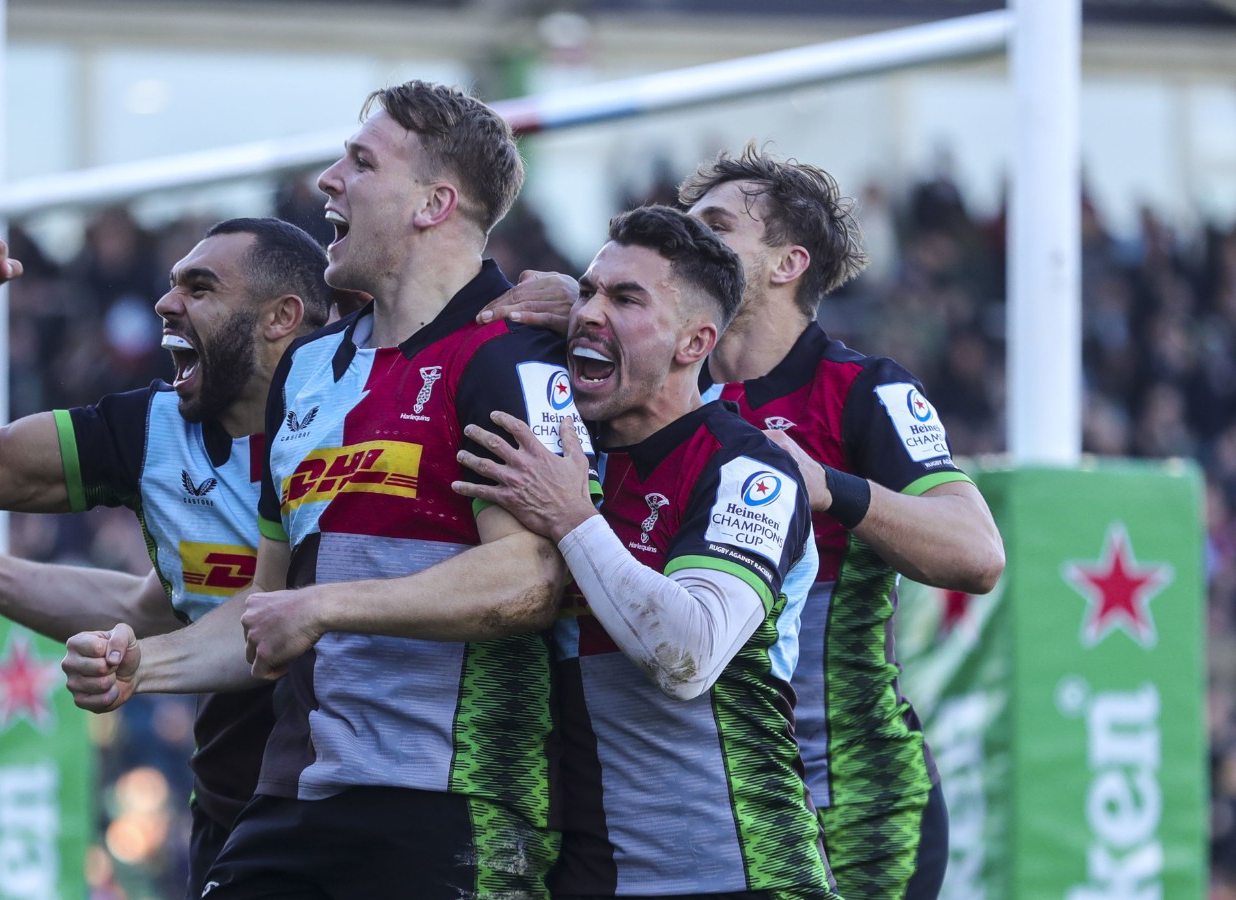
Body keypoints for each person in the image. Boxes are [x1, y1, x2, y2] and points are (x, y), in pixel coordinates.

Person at [63, 80, 584, 899]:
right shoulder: (307, 369)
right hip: (297, 794)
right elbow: (269, 607)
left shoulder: (507, 356)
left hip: (451, 805)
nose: (328, 180)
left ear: (434, 204)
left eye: (362, 163)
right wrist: (144, 665)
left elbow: (529, 579)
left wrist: (326, 607)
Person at [0, 216, 335, 894]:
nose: (166, 302)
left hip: (366, 815)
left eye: (200, 288)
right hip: (234, 825)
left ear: (282, 317)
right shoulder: (149, 431)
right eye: (173, 283)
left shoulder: (364, 417)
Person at [454, 205, 833, 899]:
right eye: (588, 292)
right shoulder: (566, 454)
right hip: (590, 875)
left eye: (626, 299)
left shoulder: (746, 469)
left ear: (695, 343)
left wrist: (572, 519)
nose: (589, 314)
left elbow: (688, 655)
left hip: (740, 875)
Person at [681, 145, 1004, 900]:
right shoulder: (658, 391)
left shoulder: (863, 390)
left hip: (856, 814)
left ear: (788, 263)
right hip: (704, 812)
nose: (687, 241)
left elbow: (977, 552)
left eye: (716, 226)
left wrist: (831, 489)